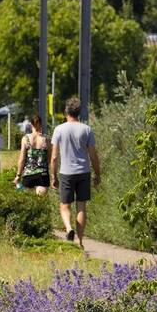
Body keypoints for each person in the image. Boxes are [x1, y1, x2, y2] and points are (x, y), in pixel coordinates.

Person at [50, 98, 101, 249]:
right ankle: (80, 242)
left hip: (66, 173)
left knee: (64, 205)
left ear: (66, 112)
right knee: (81, 207)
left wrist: (53, 176)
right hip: (84, 172)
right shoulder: (86, 129)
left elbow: (53, 157)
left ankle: (68, 228)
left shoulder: (59, 130)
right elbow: (93, 156)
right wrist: (98, 174)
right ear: (79, 112)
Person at [13, 114, 50, 196]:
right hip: (42, 175)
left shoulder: (25, 139)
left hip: (28, 175)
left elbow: (22, 159)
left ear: (31, 124)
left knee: (29, 204)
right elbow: (49, 159)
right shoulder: (46, 139)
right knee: (41, 203)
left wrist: (18, 175)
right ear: (41, 124)